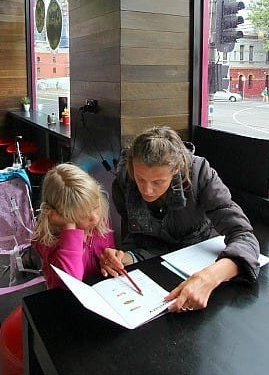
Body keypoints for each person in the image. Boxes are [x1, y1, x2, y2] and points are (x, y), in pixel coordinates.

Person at [105, 126, 260, 313]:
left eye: (158, 182)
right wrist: (125, 257)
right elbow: (136, 236)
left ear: (177, 168)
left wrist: (210, 277)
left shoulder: (200, 174)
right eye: (140, 179)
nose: (147, 190)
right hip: (154, 274)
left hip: (201, 260)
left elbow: (243, 234)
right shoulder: (124, 181)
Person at [0, 164, 114, 374]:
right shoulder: (48, 240)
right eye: (82, 215)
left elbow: (108, 250)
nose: (95, 218)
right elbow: (72, 280)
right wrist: (70, 229)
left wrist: (111, 258)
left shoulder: (97, 224)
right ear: (58, 216)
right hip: (64, 308)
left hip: (100, 303)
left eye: (95, 206)